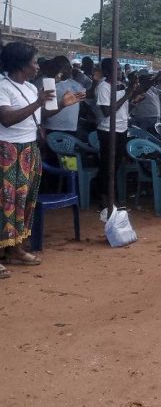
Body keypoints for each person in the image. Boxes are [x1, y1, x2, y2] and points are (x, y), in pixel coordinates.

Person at [0, 42, 83, 277]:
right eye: (34, 62)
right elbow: (6, 119)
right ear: (21, 64)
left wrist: (60, 106)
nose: (38, 67)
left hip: (28, 148)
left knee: (22, 202)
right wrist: (38, 101)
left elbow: (39, 115)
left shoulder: (27, 88)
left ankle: (14, 248)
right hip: (7, 150)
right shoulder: (3, 87)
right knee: (4, 202)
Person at [96, 57, 144, 209]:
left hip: (122, 128)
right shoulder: (103, 87)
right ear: (107, 71)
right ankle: (104, 200)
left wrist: (134, 102)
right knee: (107, 165)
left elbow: (123, 109)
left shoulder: (120, 85)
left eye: (119, 69)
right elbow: (106, 111)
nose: (119, 72)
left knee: (116, 165)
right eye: (116, 69)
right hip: (108, 130)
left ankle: (112, 197)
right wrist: (127, 95)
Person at [43, 56, 87, 140]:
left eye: (69, 67)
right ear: (58, 69)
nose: (69, 70)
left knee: (69, 153)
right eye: (65, 68)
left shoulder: (75, 83)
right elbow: (47, 109)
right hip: (53, 127)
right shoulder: (49, 84)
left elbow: (86, 93)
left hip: (71, 128)